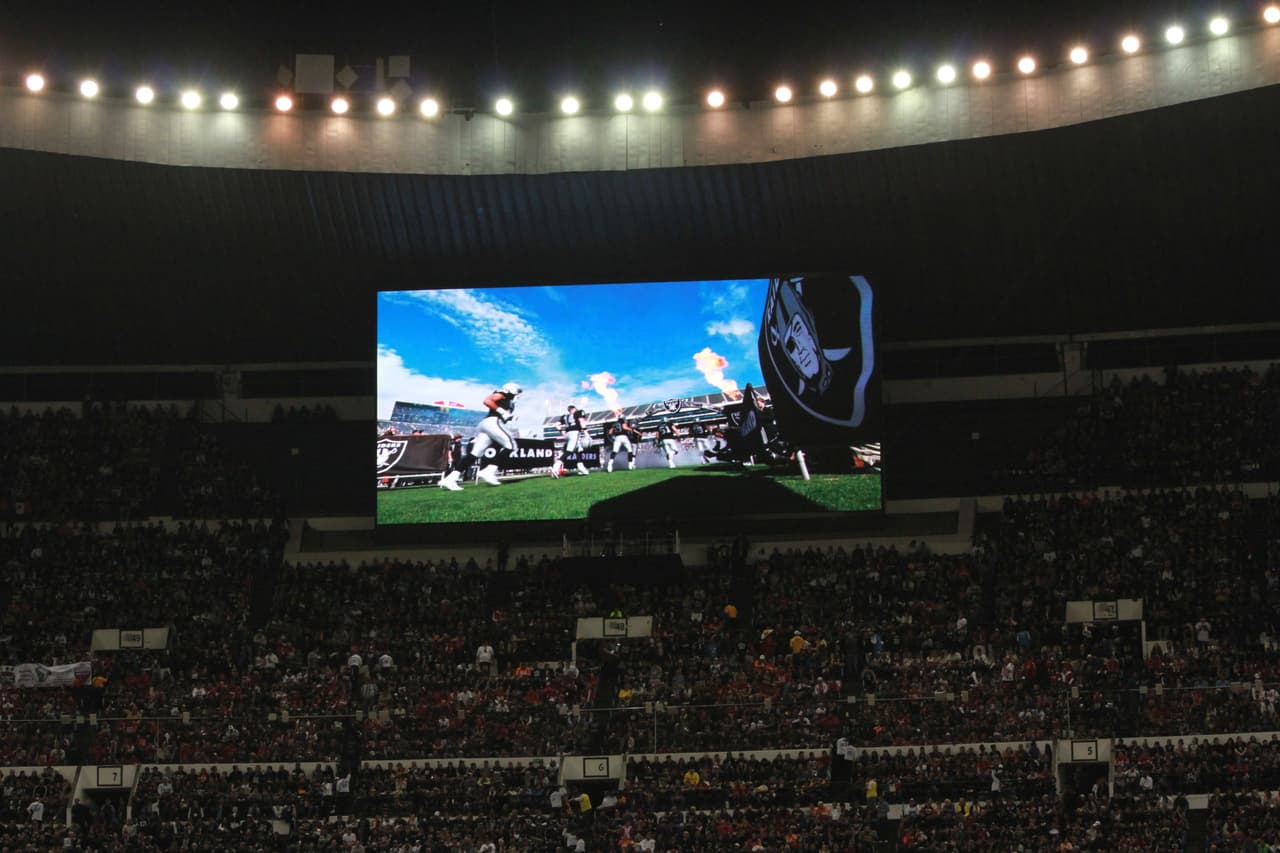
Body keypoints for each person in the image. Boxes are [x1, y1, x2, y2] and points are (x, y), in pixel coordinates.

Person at [439, 383, 523, 490]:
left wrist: (509, 417)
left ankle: (450, 479)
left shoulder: (509, 402)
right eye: (518, 391)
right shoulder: (503, 394)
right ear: (511, 389)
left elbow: (502, 413)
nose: (518, 394)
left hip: (489, 424)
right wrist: (502, 412)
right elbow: (487, 401)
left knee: (475, 454)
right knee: (512, 445)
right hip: (492, 422)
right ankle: (489, 470)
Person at [554, 405, 591, 478]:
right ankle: (556, 466)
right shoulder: (579, 412)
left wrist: (561, 431)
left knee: (579, 450)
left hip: (567, 434)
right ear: (574, 409)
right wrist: (586, 433)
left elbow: (556, 425)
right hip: (575, 433)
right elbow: (581, 421)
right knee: (569, 451)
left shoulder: (565, 416)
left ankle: (581, 467)